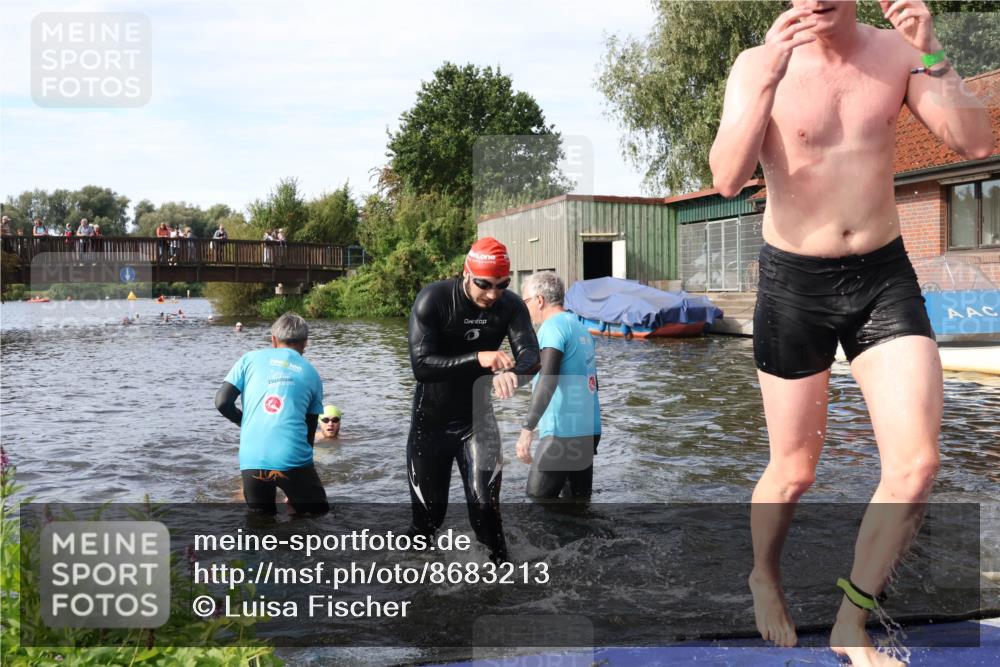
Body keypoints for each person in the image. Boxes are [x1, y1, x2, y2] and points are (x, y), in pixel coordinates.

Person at [709, 1, 994, 664]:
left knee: (916, 463)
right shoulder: (756, 64)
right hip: (793, 283)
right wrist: (767, 80)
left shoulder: (895, 54)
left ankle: (850, 620)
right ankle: (763, 574)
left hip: (881, 277)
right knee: (794, 470)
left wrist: (933, 50)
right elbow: (726, 178)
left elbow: (975, 142)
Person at [406, 237, 540, 563]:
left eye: (502, 285)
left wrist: (515, 375)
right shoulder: (433, 300)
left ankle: (504, 592)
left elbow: (531, 357)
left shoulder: (510, 305)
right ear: (466, 273)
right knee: (428, 523)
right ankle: (413, 588)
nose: (493, 294)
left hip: (477, 422)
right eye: (485, 285)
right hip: (431, 426)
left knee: (486, 515)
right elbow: (421, 367)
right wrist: (479, 358)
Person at [215, 312, 328, 515]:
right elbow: (309, 431)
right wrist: (299, 482)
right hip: (292, 459)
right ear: (305, 343)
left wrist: (245, 422)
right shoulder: (311, 373)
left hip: (252, 458)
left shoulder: (248, 359)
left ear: (273, 340)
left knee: (260, 525)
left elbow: (222, 402)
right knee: (317, 516)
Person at [516, 272, 601, 500]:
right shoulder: (580, 327)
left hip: (562, 434)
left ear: (540, 300)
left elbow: (548, 379)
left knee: (536, 505)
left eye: (525, 301)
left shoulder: (552, 328)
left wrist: (527, 430)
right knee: (578, 509)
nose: (525, 308)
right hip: (588, 431)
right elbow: (593, 384)